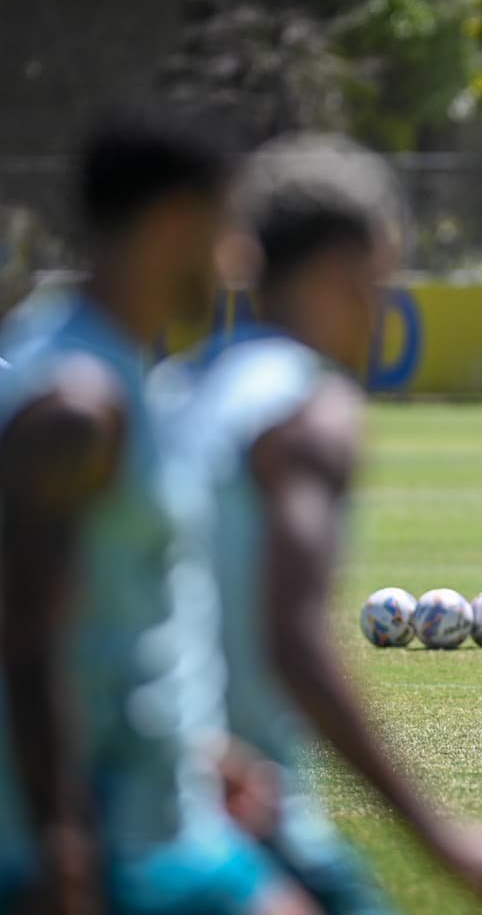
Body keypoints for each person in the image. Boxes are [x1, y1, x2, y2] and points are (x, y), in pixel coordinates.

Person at [149, 134, 482, 911]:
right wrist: (440, 837)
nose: (382, 305)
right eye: (379, 279)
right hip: (246, 822)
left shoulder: (182, 387)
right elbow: (293, 644)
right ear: (339, 271)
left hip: (155, 791)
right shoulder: (308, 412)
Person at [0, 108, 311, 914]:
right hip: (95, 837)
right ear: (176, 222)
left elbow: (113, 610)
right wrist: (59, 837)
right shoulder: (75, 403)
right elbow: (26, 634)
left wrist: (201, 752)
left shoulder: (124, 376)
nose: (240, 261)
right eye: (227, 229)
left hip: (160, 810)